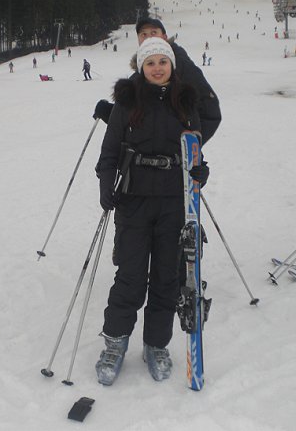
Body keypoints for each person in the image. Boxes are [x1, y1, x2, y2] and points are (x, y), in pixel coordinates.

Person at [94, 37, 210, 386]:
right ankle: (115, 344)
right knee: (130, 278)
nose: (157, 68)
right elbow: (109, 154)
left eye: (163, 61)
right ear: (141, 67)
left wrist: (201, 171)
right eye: (150, 63)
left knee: (166, 279)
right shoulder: (127, 102)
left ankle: (156, 344)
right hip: (134, 201)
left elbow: (195, 152)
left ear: (171, 65)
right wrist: (106, 186)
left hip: (174, 203)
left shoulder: (185, 101)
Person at [93, 17, 221, 147]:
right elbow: (144, 114)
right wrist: (111, 113)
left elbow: (210, 113)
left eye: (154, 32)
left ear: (164, 37)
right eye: (143, 34)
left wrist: (187, 147)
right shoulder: (143, 67)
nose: (149, 38)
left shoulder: (180, 66)